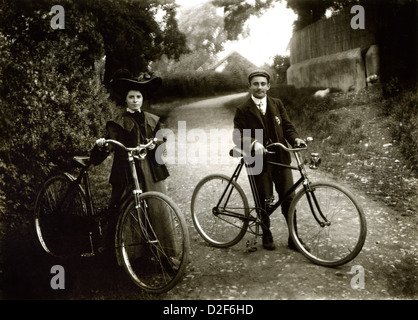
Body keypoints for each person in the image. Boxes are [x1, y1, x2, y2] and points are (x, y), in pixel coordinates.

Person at [90, 69, 169, 250]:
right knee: (126, 209)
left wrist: (156, 143)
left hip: (151, 169)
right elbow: (111, 142)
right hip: (127, 170)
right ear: (125, 99)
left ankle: (161, 250)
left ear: (142, 98)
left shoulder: (152, 119)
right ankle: (131, 254)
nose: (135, 100)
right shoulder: (119, 121)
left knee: (156, 206)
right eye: (131, 97)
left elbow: (161, 138)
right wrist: (103, 144)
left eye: (138, 97)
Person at [233, 69, 305, 251]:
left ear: (269, 86)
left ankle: (294, 238)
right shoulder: (242, 109)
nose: (259, 87)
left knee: (289, 197)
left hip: (280, 158)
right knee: (264, 199)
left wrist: (295, 138)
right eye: (255, 84)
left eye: (263, 84)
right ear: (249, 87)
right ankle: (266, 233)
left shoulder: (277, 104)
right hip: (258, 160)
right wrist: (253, 142)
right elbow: (237, 136)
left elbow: (287, 126)